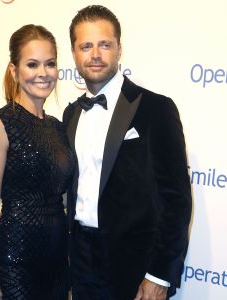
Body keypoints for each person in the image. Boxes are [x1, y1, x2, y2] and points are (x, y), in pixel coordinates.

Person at [63, 5, 192, 300]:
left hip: (135, 269)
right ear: (74, 53)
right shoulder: (70, 114)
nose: (95, 54)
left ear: (119, 49)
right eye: (86, 45)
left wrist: (159, 274)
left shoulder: (156, 109)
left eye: (104, 44)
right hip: (79, 263)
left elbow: (177, 201)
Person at [0, 24, 75, 300]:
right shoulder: (1, 124)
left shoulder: (58, 127)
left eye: (50, 64)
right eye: (32, 64)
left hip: (57, 259)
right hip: (17, 258)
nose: (43, 73)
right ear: (14, 70)